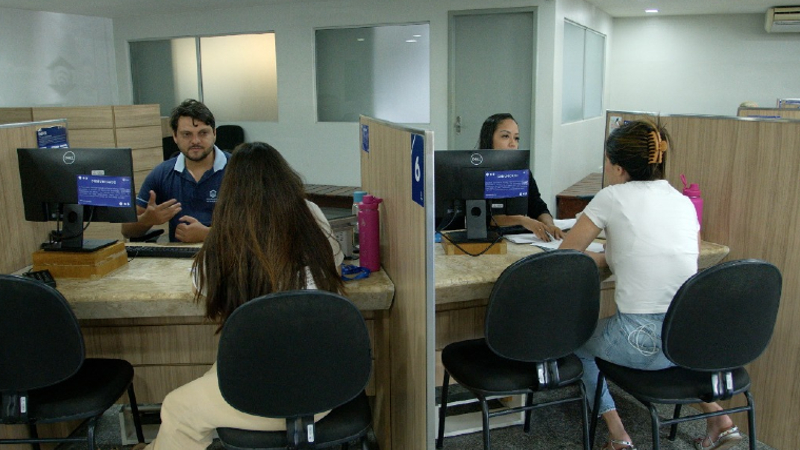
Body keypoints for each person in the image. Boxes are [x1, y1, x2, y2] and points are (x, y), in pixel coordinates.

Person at [133, 142, 345, 450]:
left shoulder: (228, 234)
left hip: (271, 393)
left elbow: (202, 284)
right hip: (329, 383)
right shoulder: (310, 213)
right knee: (216, 371)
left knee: (177, 409)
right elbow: (335, 260)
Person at [559, 119, 741, 450]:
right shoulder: (683, 202)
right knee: (665, 330)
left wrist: (608, 256)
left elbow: (565, 259)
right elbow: (684, 254)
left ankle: (618, 435)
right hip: (687, 342)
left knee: (576, 343)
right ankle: (720, 420)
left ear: (617, 167)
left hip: (639, 344)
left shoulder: (610, 197)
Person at [121, 99, 230, 243]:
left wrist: (209, 235)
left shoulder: (238, 169)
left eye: (203, 133)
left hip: (228, 258)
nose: (195, 141)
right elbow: (126, 230)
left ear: (214, 133)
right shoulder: (161, 173)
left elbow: (260, 230)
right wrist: (147, 220)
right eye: (187, 134)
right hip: (177, 261)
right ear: (175, 136)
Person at [478, 113, 563, 241]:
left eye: (516, 138)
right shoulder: (478, 173)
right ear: (489, 138)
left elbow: (537, 206)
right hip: (489, 240)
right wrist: (523, 220)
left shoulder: (522, 172)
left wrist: (549, 225)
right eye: (505, 136)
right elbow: (487, 218)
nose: (513, 143)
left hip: (520, 239)